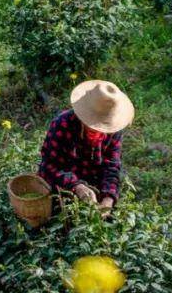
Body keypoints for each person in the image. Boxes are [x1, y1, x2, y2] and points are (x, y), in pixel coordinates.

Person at [38, 80, 134, 215]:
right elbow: (49, 165)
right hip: (65, 178)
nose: (98, 130)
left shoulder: (114, 129)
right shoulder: (63, 124)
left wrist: (108, 199)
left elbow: (111, 166)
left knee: (114, 199)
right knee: (59, 212)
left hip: (94, 179)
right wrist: (77, 186)